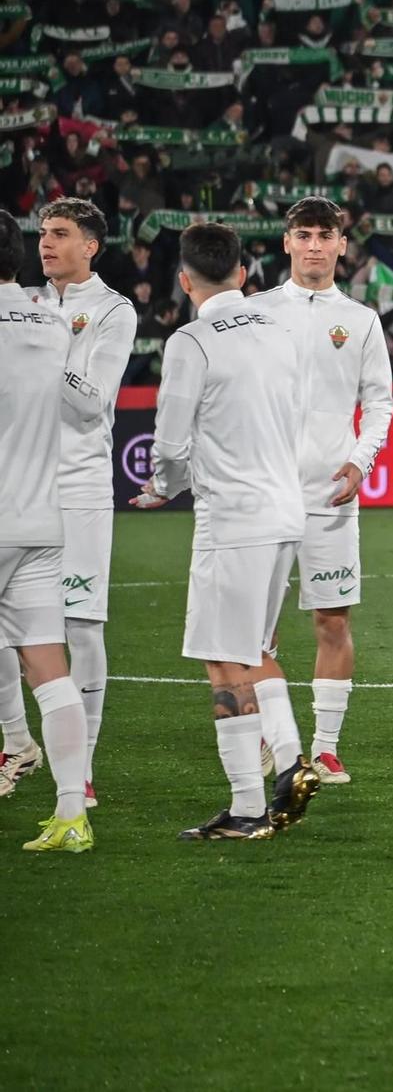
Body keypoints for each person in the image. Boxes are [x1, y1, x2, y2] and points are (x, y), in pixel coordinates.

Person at [132, 223, 318, 840]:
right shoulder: (282, 331)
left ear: (185, 281)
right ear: (243, 273)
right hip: (286, 510)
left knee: (223, 662)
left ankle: (245, 807)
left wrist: (164, 485)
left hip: (235, 518)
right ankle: (291, 761)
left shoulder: (192, 340)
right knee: (255, 650)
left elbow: (170, 440)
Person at [245, 198, 393, 786]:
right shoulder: (254, 313)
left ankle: (326, 748)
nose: (313, 245)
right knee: (255, 630)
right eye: (302, 234)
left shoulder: (360, 320)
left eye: (324, 235)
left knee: (332, 621)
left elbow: (379, 402)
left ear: (341, 245)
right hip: (264, 493)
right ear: (286, 243)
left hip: (331, 495)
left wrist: (360, 461)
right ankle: (264, 742)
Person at [0, 199, 134, 809]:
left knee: (80, 624)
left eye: (61, 235)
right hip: (19, 481)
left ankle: (81, 772)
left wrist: (53, 355)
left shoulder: (113, 310)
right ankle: (17, 742)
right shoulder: (25, 304)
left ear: (91, 246)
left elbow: (93, 403)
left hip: (78, 487)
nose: (46, 244)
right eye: (43, 234)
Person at [0, 213, 95, 851]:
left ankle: (17, 743)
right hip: (41, 520)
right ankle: (70, 815)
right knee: (49, 669)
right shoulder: (52, 321)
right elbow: (86, 407)